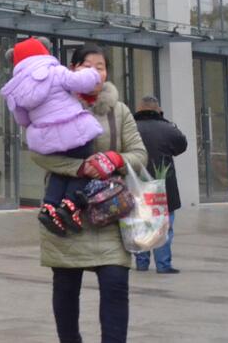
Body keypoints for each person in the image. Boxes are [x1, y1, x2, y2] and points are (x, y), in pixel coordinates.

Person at [31, 44, 147, 343]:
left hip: (110, 214)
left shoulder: (119, 111)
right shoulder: (51, 105)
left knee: (116, 285)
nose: (96, 72)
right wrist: (80, 167)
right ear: (72, 69)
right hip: (64, 216)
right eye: (88, 66)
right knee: (66, 289)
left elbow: (139, 153)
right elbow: (38, 153)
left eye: (101, 67)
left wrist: (114, 159)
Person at [0, 35, 105, 235]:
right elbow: (78, 82)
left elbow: (22, 120)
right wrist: (92, 74)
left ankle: (49, 205)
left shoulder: (16, 89)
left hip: (47, 139)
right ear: (43, 52)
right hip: (73, 130)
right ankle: (70, 205)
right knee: (85, 165)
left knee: (60, 171)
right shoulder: (55, 71)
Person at [133, 95, 188, 275]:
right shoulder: (167, 128)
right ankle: (163, 265)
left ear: (139, 109)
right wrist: (163, 120)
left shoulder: (131, 127)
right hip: (163, 185)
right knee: (164, 226)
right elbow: (181, 145)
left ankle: (142, 263)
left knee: (141, 223)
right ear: (158, 110)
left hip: (138, 184)